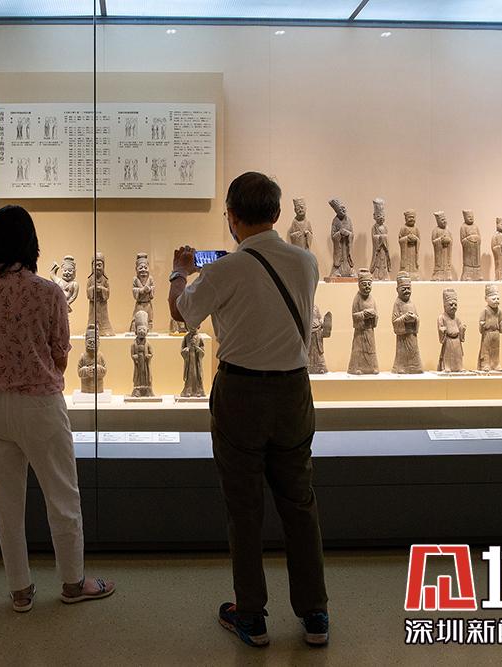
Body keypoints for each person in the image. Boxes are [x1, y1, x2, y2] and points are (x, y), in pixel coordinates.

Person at [168, 172, 328, 648]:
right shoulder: (306, 262)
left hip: (241, 391)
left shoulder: (223, 270)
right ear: (277, 213)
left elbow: (181, 311)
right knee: (299, 502)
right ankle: (315, 613)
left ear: (232, 217)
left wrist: (179, 271)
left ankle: (252, 616)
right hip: (293, 390)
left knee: (244, 506)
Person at [0, 205, 115, 612]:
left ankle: (19, 590)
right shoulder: (48, 293)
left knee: (6, 504)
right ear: (31, 244)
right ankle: (73, 582)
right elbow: (61, 352)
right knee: (62, 496)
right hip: (41, 405)